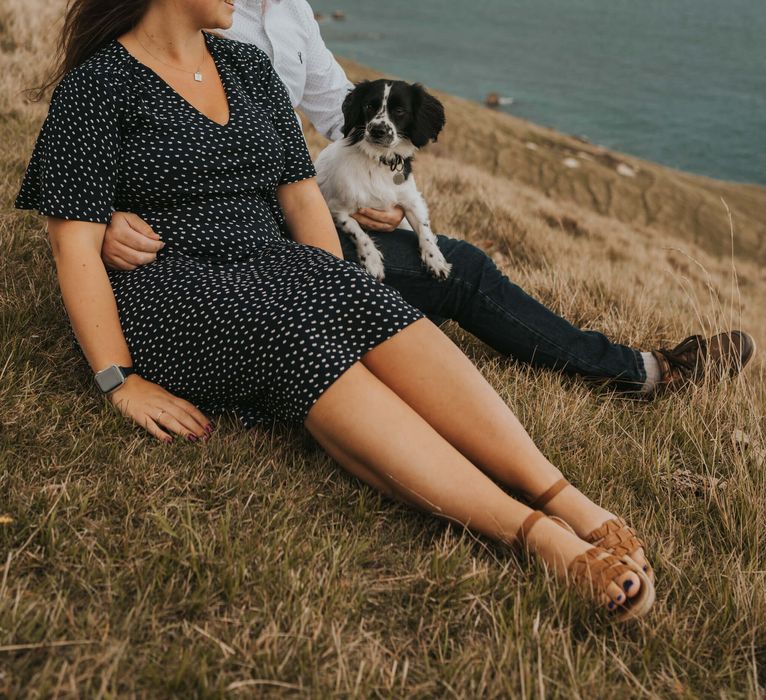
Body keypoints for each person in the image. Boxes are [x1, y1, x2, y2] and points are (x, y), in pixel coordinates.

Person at [17, 0, 657, 619]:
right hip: (175, 288)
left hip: (271, 261)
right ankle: (535, 536)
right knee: (295, 330)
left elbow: (299, 198)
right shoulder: (97, 87)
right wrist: (118, 380)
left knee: (360, 297)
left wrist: (335, 286)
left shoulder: (245, 67)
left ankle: (561, 493)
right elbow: (70, 243)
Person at [99, 0, 755, 396]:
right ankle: (647, 373)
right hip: (233, 239)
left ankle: (631, 366)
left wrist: (387, 179)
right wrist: (106, 214)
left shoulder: (291, 9)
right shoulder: (187, 9)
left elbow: (339, 108)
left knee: (446, 261)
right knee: (461, 272)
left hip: (307, 215)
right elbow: (109, 95)